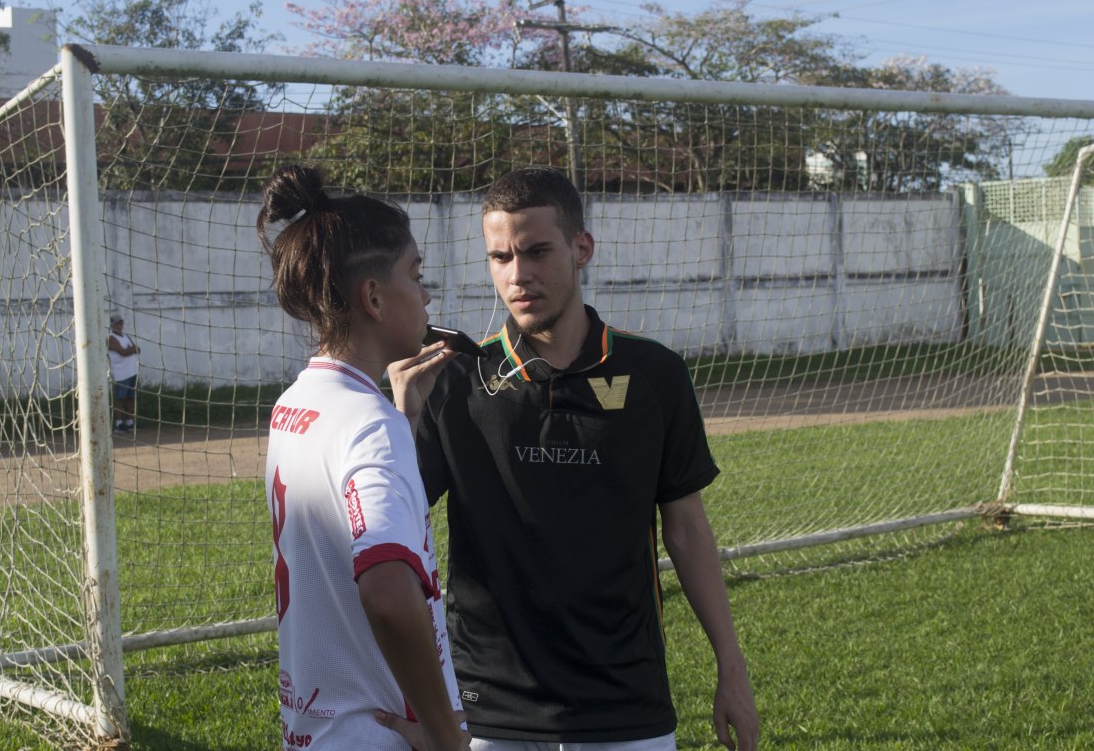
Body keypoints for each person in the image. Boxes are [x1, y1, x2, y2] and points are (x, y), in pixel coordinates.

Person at [388, 167, 758, 751]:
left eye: (537, 252)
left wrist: (731, 668)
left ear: (581, 248)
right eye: (500, 258)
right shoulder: (456, 380)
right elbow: (396, 529)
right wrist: (402, 419)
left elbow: (686, 531)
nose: (518, 275)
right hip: (490, 708)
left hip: (626, 703)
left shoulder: (655, 375)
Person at [256, 163, 470, 751]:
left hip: (317, 725)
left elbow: (346, 513)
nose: (426, 294)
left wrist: (403, 419)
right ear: (373, 296)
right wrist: (447, 737)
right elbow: (387, 594)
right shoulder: (369, 424)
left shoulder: (296, 403)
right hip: (377, 732)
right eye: (415, 273)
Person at [106, 314, 140, 432]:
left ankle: (130, 422)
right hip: (120, 374)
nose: (120, 325)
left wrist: (131, 350)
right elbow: (123, 352)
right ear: (112, 325)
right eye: (117, 323)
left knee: (130, 399)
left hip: (132, 372)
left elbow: (138, 349)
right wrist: (131, 349)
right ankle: (118, 424)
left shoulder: (126, 336)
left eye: (121, 323)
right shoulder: (110, 338)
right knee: (119, 400)